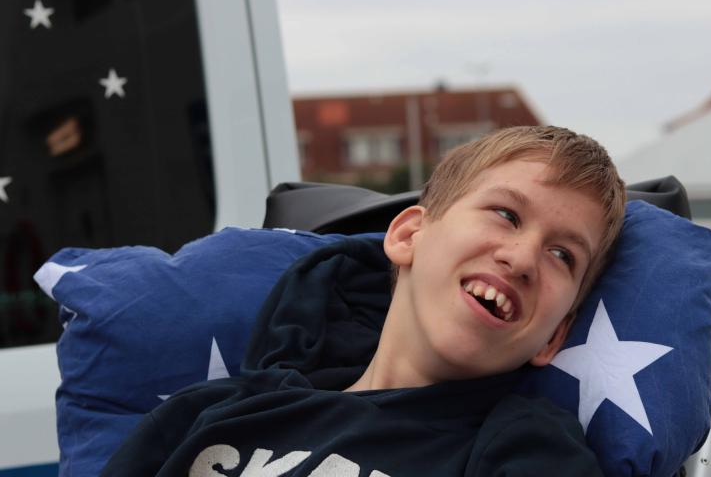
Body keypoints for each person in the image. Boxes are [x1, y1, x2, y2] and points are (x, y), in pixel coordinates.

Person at [101, 125, 626, 477]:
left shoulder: (526, 450)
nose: (524, 257)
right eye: (506, 215)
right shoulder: (212, 412)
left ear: (555, 337)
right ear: (408, 236)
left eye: (562, 255)